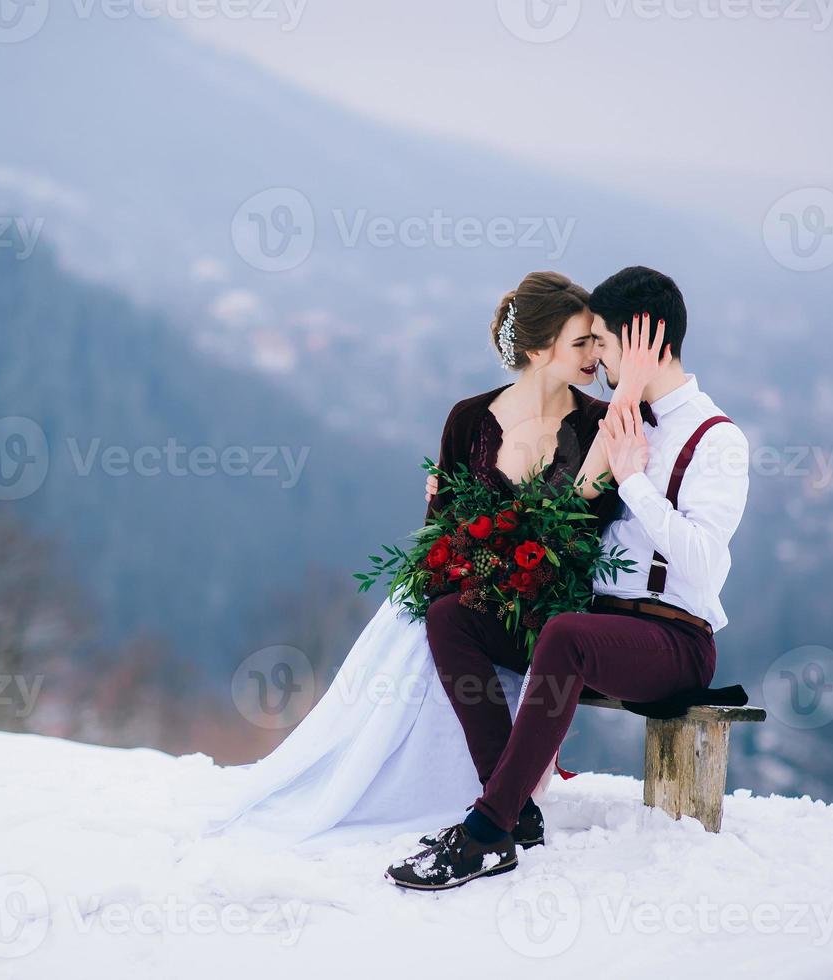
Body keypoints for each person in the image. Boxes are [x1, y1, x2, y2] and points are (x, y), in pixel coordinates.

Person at [198, 271, 632, 851]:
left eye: (595, 343)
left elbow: (592, 531)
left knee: (456, 619)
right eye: (581, 343)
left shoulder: (601, 424)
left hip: (553, 610)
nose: (594, 356)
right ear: (536, 348)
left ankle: (506, 798)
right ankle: (505, 798)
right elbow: (441, 532)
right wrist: (464, 548)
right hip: (478, 601)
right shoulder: (470, 420)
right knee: (429, 619)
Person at [387, 265, 751, 890]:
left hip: (673, 642)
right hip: (593, 623)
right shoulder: (613, 419)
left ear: (645, 339)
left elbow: (705, 565)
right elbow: (565, 527)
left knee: (565, 636)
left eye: (604, 341)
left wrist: (633, 480)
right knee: (453, 615)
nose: (599, 358)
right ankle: (516, 809)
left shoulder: (715, 438)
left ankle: (486, 833)